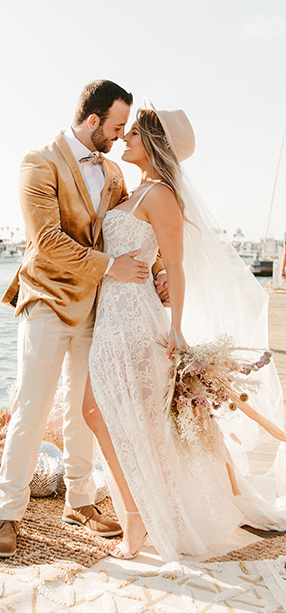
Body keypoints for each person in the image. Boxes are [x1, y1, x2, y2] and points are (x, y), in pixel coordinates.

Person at [84, 100, 286, 561]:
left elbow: (176, 263)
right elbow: (150, 257)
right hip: (109, 317)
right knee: (102, 413)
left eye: (134, 133)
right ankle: (143, 513)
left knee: (135, 422)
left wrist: (175, 329)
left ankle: (144, 520)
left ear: (154, 144)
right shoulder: (131, 192)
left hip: (137, 322)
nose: (125, 138)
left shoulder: (159, 196)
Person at [0, 81, 168, 558]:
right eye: (116, 126)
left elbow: (131, 230)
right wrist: (109, 267)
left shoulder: (111, 171)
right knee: (32, 407)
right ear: (93, 121)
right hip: (45, 300)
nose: (120, 135)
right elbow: (46, 240)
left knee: (87, 408)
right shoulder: (38, 163)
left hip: (96, 307)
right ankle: (8, 514)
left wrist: (161, 272)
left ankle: (80, 500)